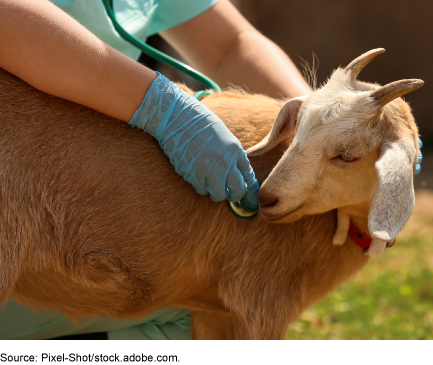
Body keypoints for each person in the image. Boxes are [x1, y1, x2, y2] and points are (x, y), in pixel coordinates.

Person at [0, 0, 312, 339]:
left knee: (208, 305)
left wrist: (321, 136)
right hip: (14, 172)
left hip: (75, 186)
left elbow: (229, 45)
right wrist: (159, 106)